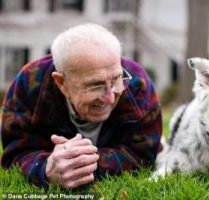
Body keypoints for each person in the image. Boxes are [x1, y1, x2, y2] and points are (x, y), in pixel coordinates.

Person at [0, 23, 162, 189]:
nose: (109, 97)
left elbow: (143, 153)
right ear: (61, 82)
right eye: (95, 85)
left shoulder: (137, 83)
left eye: (116, 80)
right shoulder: (29, 83)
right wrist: (45, 168)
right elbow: (15, 154)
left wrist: (83, 162)